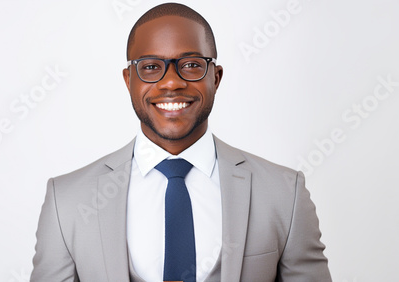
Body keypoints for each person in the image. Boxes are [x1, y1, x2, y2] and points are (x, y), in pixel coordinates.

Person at [30, 3, 331, 282]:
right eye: (150, 67)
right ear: (128, 80)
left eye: (190, 65)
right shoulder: (66, 200)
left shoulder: (284, 193)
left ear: (215, 77)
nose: (172, 82)